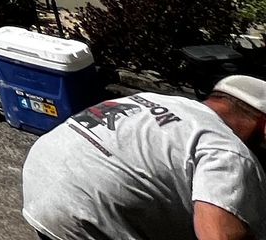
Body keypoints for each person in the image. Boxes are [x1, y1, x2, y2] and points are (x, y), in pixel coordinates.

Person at [22, 75, 266, 240]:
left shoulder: (159, 100)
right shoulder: (230, 151)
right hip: (89, 212)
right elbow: (219, 234)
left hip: (41, 181)